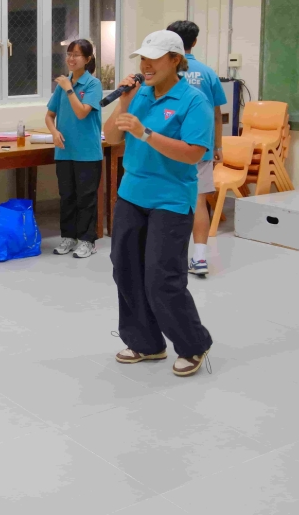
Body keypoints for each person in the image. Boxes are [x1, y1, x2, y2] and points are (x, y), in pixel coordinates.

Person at [103, 30, 214, 377]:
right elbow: (111, 136)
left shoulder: (193, 101)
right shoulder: (138, 94)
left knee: (161, 277)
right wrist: (124, 102)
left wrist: (145, 133)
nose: (146, 65)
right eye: (143, 59)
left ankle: (193, 344)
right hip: (132, 194)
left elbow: (193, 153)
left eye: (154, 59)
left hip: (171, 199)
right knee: (125, 269)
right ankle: (146, 343)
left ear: (175, 60)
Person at [166, 21, 227, 277]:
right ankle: (200, 257)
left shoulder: (166, 71)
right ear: (195, 42)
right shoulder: (208, 73)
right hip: (201, 147)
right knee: (199, 200)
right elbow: (217, 114)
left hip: (168, 148)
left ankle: (168, 256)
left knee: (168, 200)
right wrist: (218, 145)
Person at [45, 39, 104, 259]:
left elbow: (81, 113)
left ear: (87, 59)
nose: (71, 58)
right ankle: (68, 237)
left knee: (86, 198)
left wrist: (69, 89)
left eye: (76, 55)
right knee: (67, 196)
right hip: (64, 151)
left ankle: (87, 241)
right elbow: (49, 115)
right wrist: (54, 132)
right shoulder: (64, 85)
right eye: (69, 54)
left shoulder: (93, 85)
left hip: (87, 152)